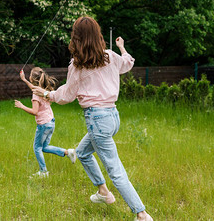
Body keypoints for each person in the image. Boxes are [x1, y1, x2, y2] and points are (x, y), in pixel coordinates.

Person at [31, 16, 153, 220]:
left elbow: (66, 96)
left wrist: (45, 94)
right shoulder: (110, 56)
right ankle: (104, 193)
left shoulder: (77, 65)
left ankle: (141, 214)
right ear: (98, 35)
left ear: (76, 38)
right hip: (113, 118)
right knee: (82, 153)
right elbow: (127, 64)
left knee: (115, 170)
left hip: (98, 120)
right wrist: (122, 48)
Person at [14, 67, 77, 178]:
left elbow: (35, 112)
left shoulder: (35, 95)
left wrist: (21, 106)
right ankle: (68, 152)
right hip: (51, 122)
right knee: (44, 147)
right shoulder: (43, 90)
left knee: (37, 148)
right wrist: (24, 80)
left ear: (32, 78)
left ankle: (43, 172)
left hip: (43, 125)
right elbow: (33, 88)